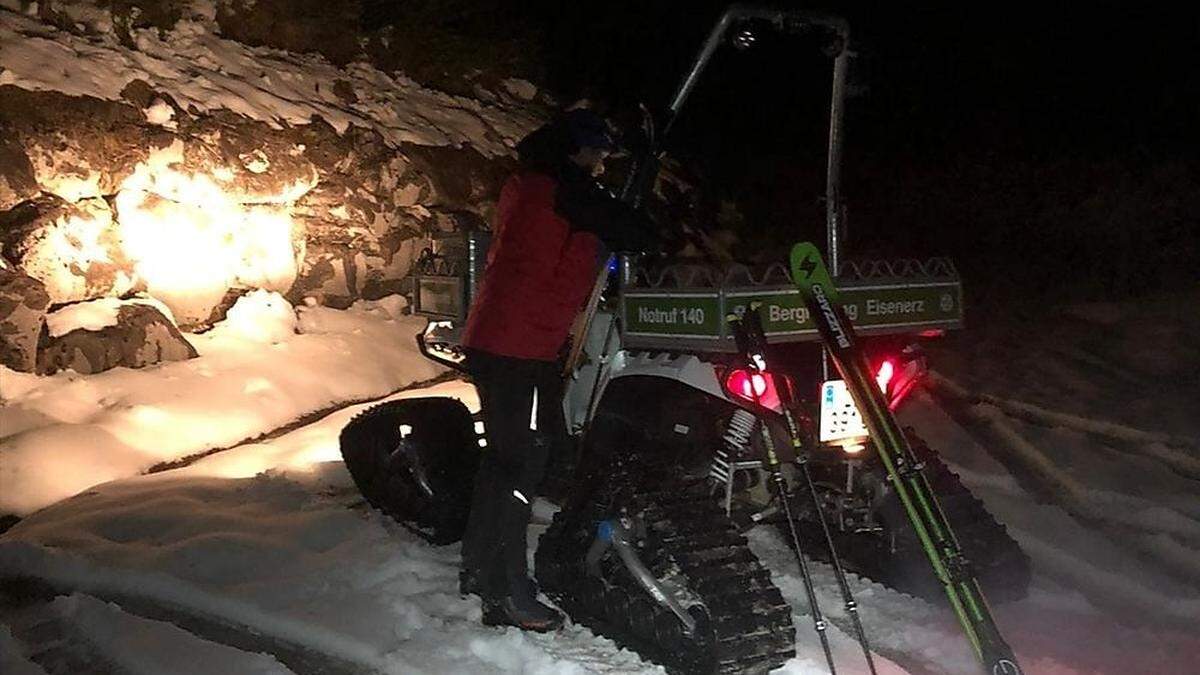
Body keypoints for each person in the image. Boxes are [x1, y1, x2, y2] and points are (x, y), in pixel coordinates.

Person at [458, 108, 658, 631]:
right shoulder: (560, 189)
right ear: (576, 150)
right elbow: (636, 229)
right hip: (517, 350)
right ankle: (507, 593)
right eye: (597, 154)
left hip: (512, 345)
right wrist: (646, 166)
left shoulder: (540, 183)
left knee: (511, 461)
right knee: (520, 470)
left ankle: (481, 569)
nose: (600, 165)